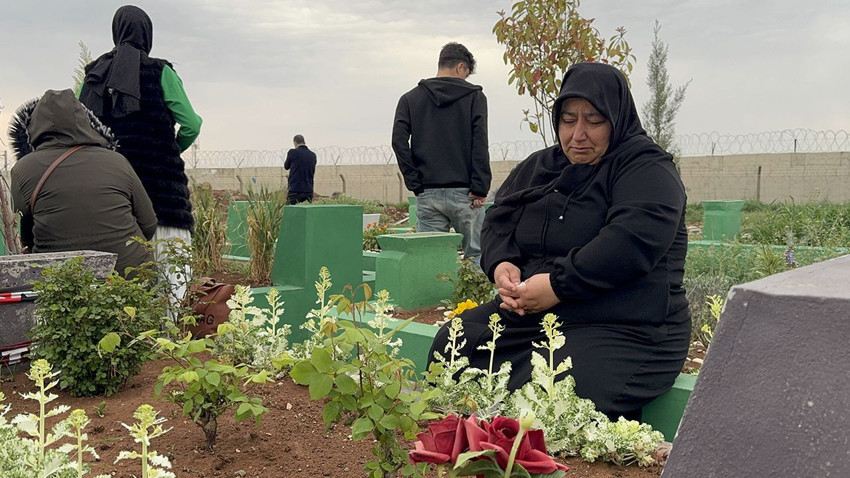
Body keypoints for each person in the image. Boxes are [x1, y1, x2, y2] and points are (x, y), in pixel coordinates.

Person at [428, 62, 690, 422]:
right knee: (453, 344)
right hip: (538, 316)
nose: (578, 134)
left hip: (626, 325)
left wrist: (556, 285)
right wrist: (502, 264)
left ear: (617, 117)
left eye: (594, 120)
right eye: (568, 120)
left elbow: (631, 241)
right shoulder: (540, 166)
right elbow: (499, 219)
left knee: (558, 392)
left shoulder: (646, 168)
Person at [78, 5, 202, 297]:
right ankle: (169, 340)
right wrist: (170, 150)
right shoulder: (161, 72)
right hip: (163, 200)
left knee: (120, 290)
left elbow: (81, 126)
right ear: (148, 34)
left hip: (112, 201)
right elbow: (191, 124)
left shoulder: (93, 76)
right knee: (173, 286)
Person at [9, 89, 157, 277]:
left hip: (61, 279)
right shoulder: (116, 160)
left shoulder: (23, 168)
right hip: (130, 274)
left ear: (35, 127)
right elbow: (149, 223)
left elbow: (23, 232)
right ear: (85, 121)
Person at [392, 42, 491, 264]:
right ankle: (475, 300)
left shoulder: (410, 99)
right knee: (476, 257)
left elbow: (398, 142)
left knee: (430, 261)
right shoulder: (475, 98)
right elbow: (480, 142)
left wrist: (415, 183)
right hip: (466, 194)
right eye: (466, 74)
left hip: (428, 192)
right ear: (460, 67)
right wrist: (480, 187)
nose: (466, 81)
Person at [284, 134, 317, 204]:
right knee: (307, 214)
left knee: (291, 212)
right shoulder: (313, 155)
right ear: (304, 142)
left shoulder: (292, 152)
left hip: (295, 189)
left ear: (295, 142)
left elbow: (286, 166)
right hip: (308, 190)